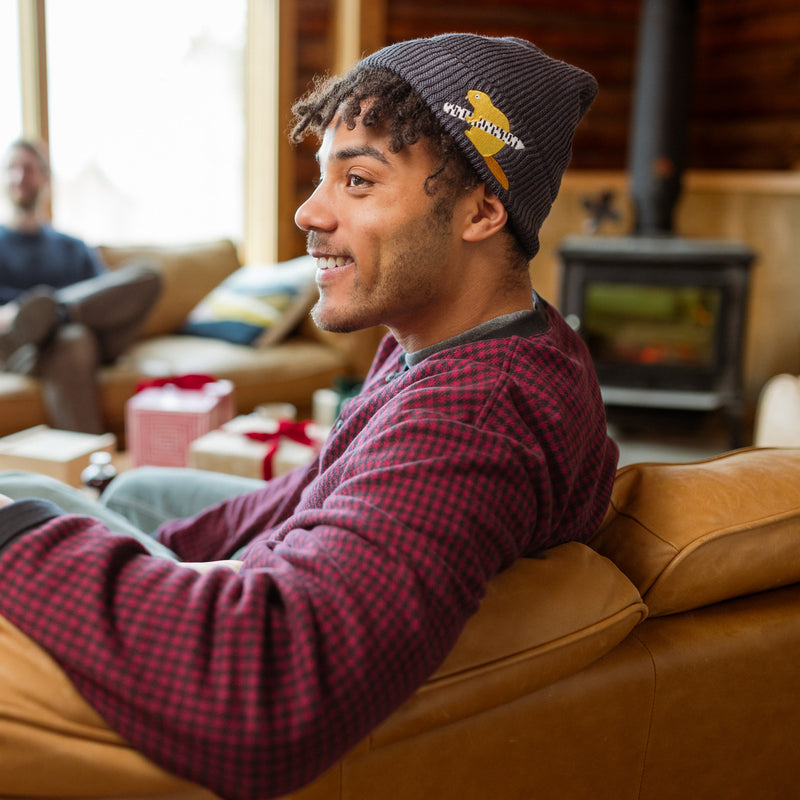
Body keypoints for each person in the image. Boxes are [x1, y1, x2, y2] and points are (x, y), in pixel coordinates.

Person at [0, 34, 618, 800]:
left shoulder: (477, 413)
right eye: (323, 176)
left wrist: (18, 536)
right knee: (125, 495)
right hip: (275, 569)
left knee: (27, 495)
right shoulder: (456, 337)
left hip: (255, 631)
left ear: (482, 210)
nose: (308, 212)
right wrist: (162, 551)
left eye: (357, 180)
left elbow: (269, 689)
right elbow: (318, 486)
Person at [0, 138, 162, 433]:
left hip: (91, 332)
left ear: (46, 177)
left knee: (148, 273)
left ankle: (57, 312)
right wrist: (13, 314)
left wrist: (53, 312)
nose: (19, 177)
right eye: (12, 168)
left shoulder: (72, 246)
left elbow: (107, 297)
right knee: (73, 338)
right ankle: (90, 466)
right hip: (25, 348)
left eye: (28, 168)